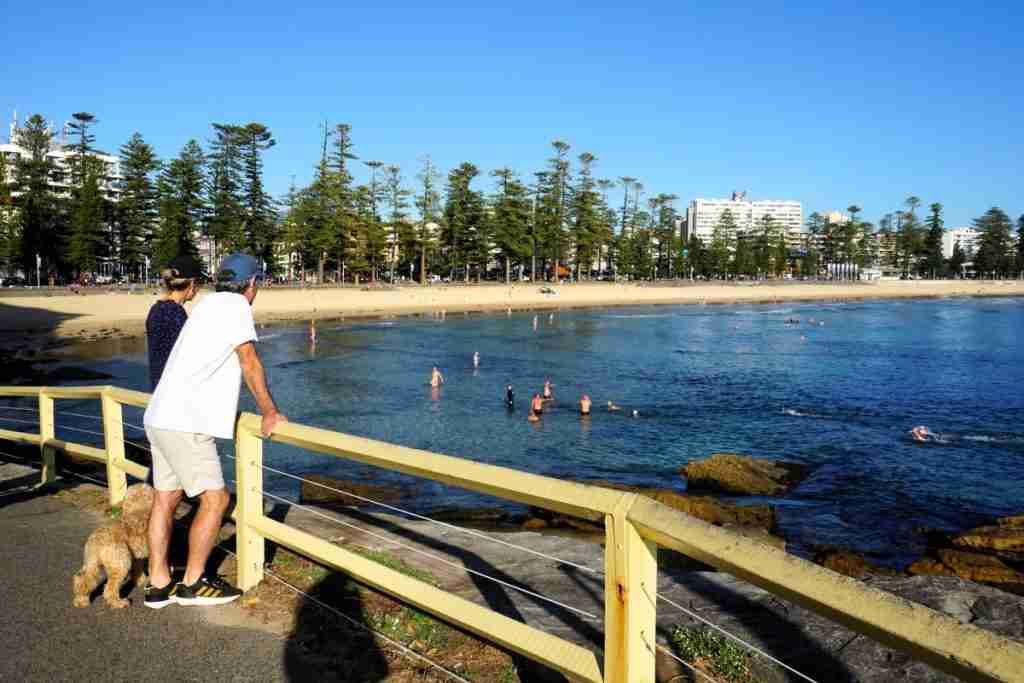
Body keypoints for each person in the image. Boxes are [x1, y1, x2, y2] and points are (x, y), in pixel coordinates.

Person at [143, 253, 287, 609]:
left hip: (159, 415)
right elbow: (248, 360)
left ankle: (158, 584)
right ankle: (194, 582)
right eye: (259, 283)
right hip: (186, 423)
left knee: (165, 499)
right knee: (217, 499)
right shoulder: (236, 306)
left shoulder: (206, 305)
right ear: (252, 283)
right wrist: (269, 411)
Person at [146, 256, 203, 391]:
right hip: (173, 392)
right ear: (192, 283)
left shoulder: (156, 309)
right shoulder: (176, 313)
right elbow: (185, 358)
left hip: (158, 390)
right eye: (200, 282)